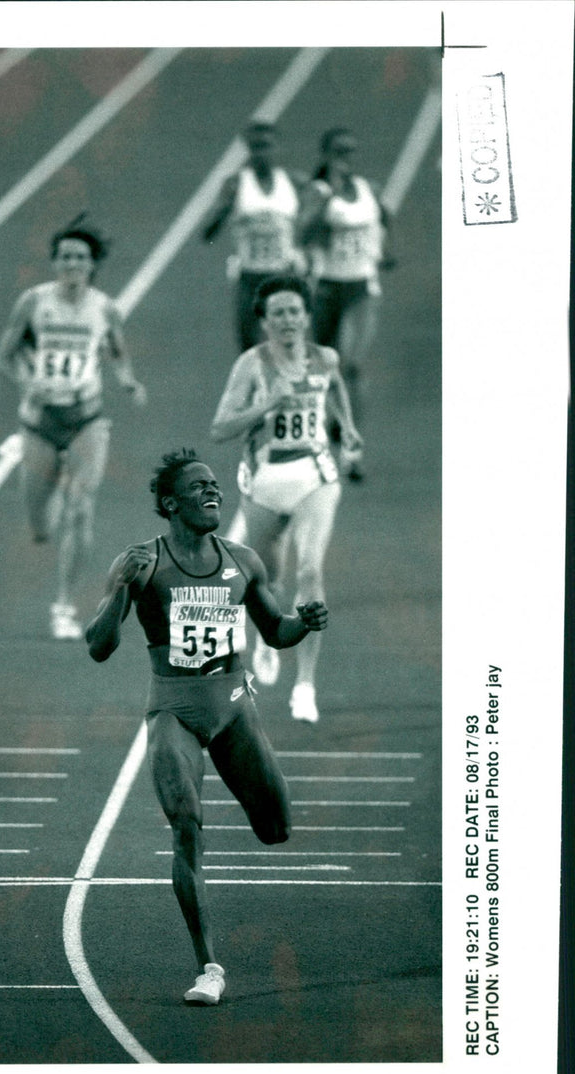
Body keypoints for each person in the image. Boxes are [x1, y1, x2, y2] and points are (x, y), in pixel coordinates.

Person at [85, 449, 328, 1005]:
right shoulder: (141, 561)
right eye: (199, 487)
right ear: (171, 504)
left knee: (276, 829)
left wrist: (303, 624)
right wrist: (121, 591)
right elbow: (99, 647)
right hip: (174, 709)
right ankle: (208, 966)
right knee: (187, 826)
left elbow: (275, 631)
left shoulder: (242, 561)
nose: (213, 492)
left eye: (216, 485)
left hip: (234, 703)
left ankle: (210, 958)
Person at [209, 275, 361, 721]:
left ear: (307, 315)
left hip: (316, 476)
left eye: (295, 311)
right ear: (264, 320)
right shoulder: (251, 365)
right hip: (265, 481)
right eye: (278, 313)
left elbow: (334, 389)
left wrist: (347, 427)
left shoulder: (324, 358)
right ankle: (264, 639)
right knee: (268, 581)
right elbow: (219, 428)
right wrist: (265, 406)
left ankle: (306, 685)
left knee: (310, 571)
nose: (288, 320)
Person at [0, 214, 147, 640]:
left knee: (81, 510)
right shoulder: (34, 303)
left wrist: (127, 380)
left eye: (80, 256)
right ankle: (36, 479)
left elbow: (117, 352)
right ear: (55, 261)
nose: (72, 262)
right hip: (40, 421)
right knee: (41, 526)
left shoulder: (105, 308)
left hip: (86, 418)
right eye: (64, 256)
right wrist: (29, 384)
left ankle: (64, 604)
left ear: (92, 263)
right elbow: (3, 358)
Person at [299, 127, 393, 480]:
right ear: (325, 155)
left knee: (351, 365)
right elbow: (302, 234)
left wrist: (385, 252)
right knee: (325, 369)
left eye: (351, 151)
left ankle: (352, 450)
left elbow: (384, 217)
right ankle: (324, 435)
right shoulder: (318, 192)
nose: (346, 158)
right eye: (338, 151)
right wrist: (325, 203)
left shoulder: (368, 189)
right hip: (326, 288)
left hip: (360, 288)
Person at [201, 119, 310, 352]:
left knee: (284, 349)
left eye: (266, 146)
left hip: (284, 277)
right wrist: (222, 209)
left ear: (276, 147)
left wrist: (305, 251)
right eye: (256, 147)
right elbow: (207, 233)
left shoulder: (294, 181)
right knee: (249, 351)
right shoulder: (236, 184)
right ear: (248, 150)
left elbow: (321, 215)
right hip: (249, 279)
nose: (261, 153)